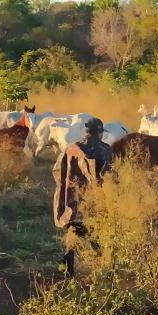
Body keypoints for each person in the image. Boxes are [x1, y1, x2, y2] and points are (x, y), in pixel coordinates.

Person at [53, 117, 114, 275]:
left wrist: (67, 188)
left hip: (72, 197)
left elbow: (57, 170)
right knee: (93, 229)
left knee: (74, 227)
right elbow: (109, 175)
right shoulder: (105, 149)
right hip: (94, 198)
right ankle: (101, 263)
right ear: (100, 132)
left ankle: (68, 262)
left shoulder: (71, 148)